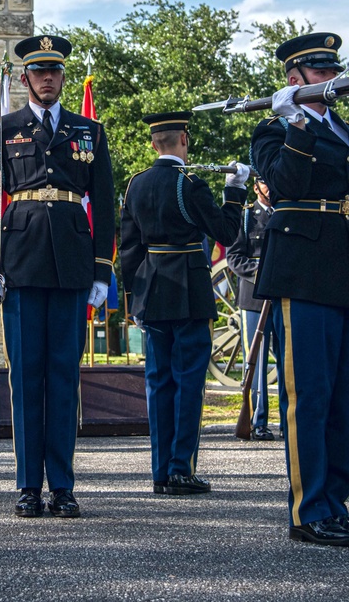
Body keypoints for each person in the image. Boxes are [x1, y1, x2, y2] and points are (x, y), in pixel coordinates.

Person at [0, 35, 114, 518]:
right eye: (39, 71)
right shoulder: (0, 130)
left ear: (63, 77)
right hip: (22, 264)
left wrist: (101, 270)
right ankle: (29, 484)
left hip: (73, 264)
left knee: (64, 377)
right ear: (25, 78)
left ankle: (64, 485)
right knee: (27, 377)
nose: (47, 78)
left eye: (54, 71)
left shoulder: (88, 131)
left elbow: (107, 207)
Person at [251, 32, 349, 547]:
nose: (332, 77)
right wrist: (297, 127)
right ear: (294, 79)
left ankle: (337, 502)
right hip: (302, 270)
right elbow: (286, 186)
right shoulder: (273, 128)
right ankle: (309, 511)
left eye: (333, 68)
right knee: (311, 394)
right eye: (320, 70)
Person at [121, 111, 247, 495]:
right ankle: (180, 468)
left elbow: (128, 250)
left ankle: (161, 471)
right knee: (189, 380)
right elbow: (226, 232)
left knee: (159, 382)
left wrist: (134, 301)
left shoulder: (135, 185)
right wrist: (234, 192)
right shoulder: (189, 184)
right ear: (184, 140)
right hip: (189, 291)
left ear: (154, 143)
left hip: (152, 292)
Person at [227, 171, 280, 441]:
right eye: (264, 182)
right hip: (254, 299)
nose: (269, 188)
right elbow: (234, 257)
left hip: (281, 296)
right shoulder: (247, 216)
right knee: (256, 362)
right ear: (256, 185)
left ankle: (287, 419)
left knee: (285, 361)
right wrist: (262, 270)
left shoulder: (284, 213)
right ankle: (258, 420)